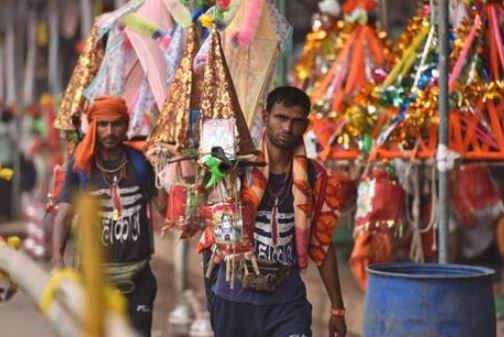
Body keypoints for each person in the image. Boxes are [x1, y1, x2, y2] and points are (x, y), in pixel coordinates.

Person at [199, 86, 350, 337]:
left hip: (287, 303)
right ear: (265, 116)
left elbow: (322, 245)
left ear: (306, 125)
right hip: (234, 299)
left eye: (296, 121)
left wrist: (338, 309)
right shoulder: (236, 168)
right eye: (281, 118)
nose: (288, 128)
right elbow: (204, 208)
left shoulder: (315, 178)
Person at [51, 96, 166, 337]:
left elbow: (164, 209)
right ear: (93, 126)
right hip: (94, 282)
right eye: (102, 124)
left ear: (126, 126)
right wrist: (57, 261)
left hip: (138, 279)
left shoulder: (140, 161)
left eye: (116, 124)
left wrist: (162, 172)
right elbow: (63, 214)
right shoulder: (80, 165)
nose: (109, 131)